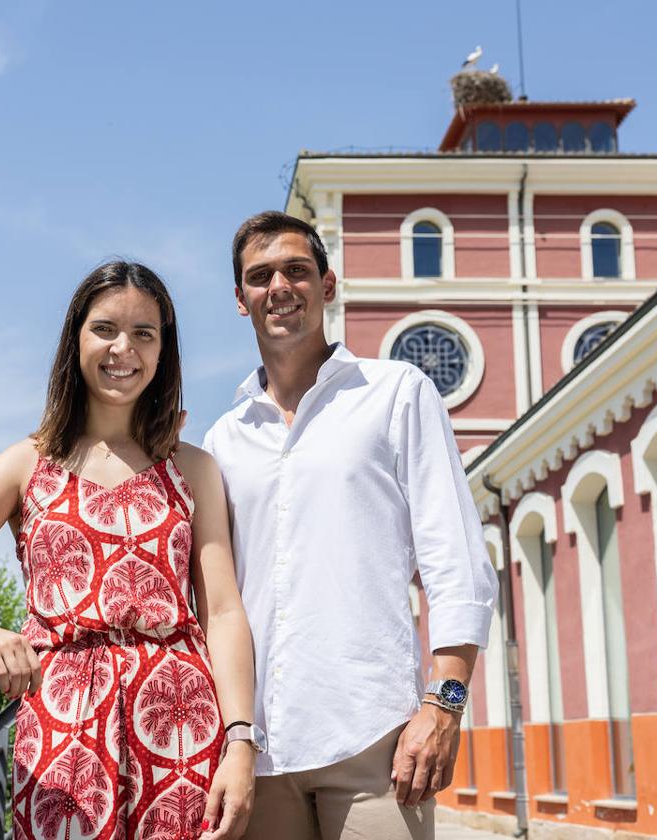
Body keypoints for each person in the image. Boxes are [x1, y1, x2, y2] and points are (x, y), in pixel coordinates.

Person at [0, 261, 258, 840]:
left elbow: (224, 612)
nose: (124, 349)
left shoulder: (192, 467)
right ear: (76, 339)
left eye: (145, 333)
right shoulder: (27, 464)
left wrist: (241, 742)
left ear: (164, 351)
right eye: (105, 329)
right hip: (62, 721)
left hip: (182, 719)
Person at [201, 212, 499, 840]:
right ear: (240, 299)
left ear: (328, 286)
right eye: (260, 276)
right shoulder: (223, 439)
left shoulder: (397, 393)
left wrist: (444, 705)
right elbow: (213, 597)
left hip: (375, 740)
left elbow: (457, 560)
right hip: (259, 746)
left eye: (296, 270)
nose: (279, 285)